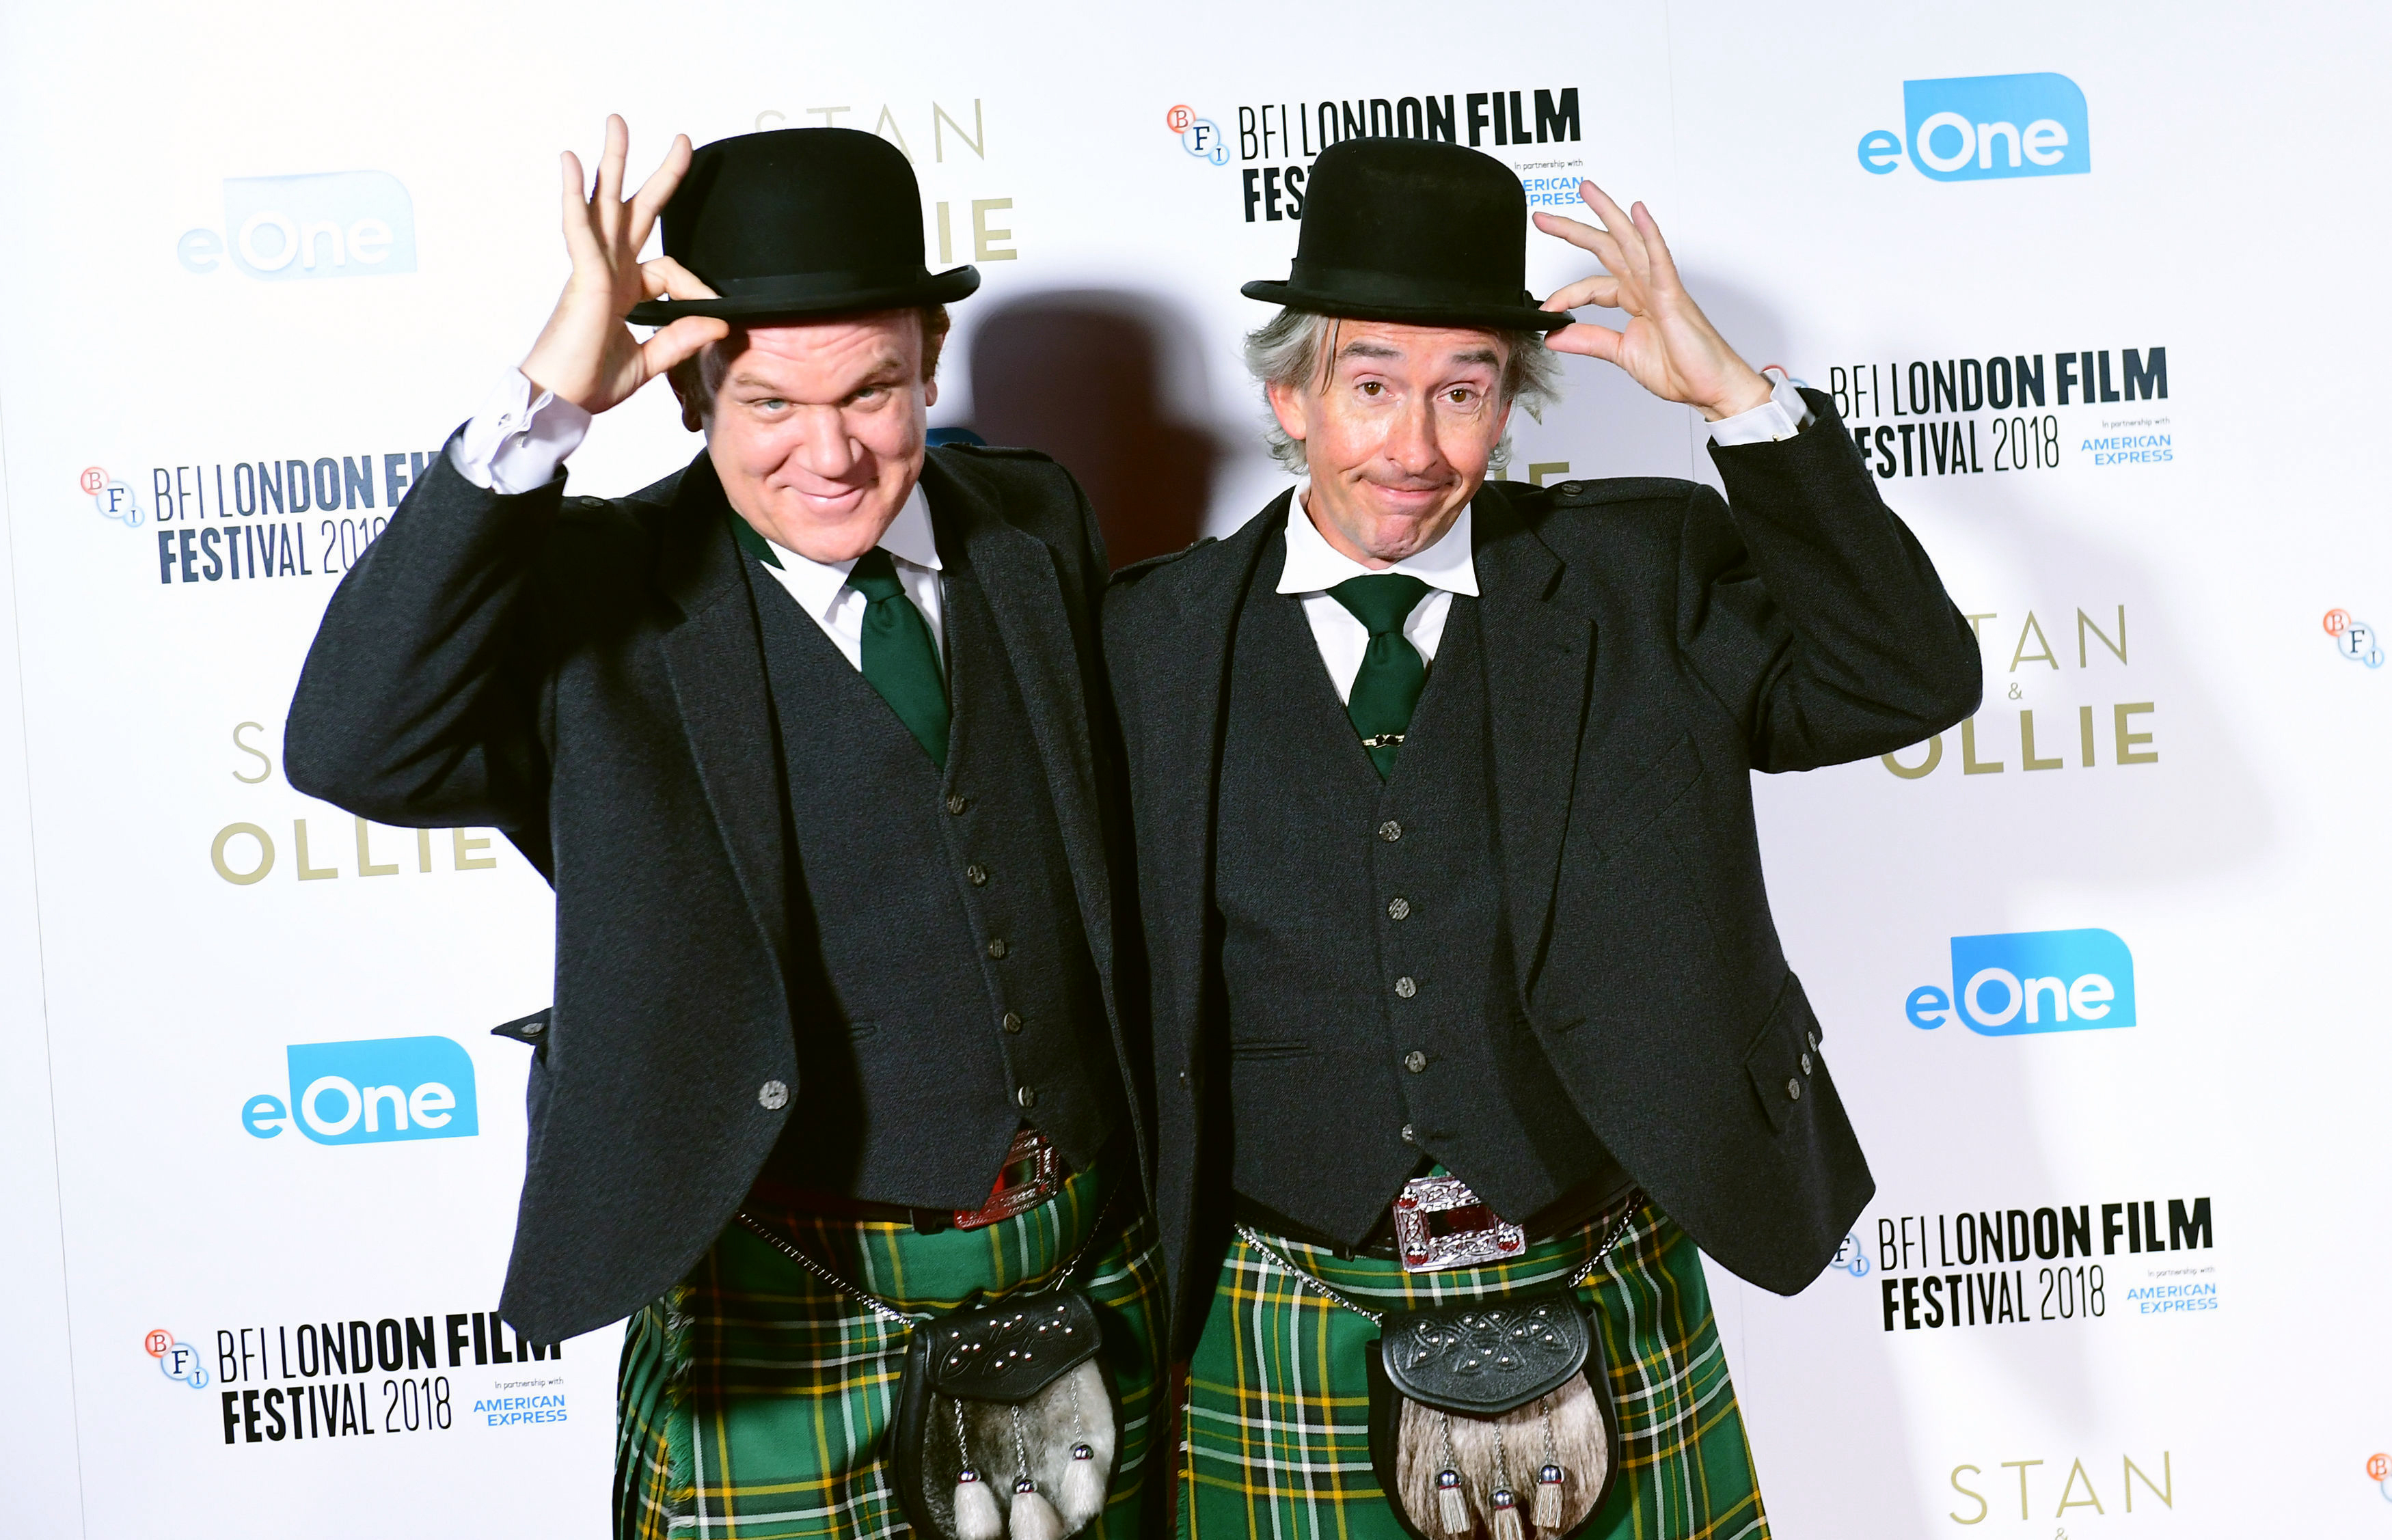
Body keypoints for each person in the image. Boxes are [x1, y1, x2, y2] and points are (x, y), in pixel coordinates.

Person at [284, 119, 1162, 1539]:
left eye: (873, 391)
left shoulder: (1032, 521)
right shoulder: (596, 592)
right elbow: (350, 745)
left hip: (1075, 1261)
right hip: (787, 1288)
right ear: (690, 389)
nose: (830, 452)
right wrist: (548, 402)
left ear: (931, 359)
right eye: (768, 404)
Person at [1102, 137, 1981, 1538]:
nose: (1415, 446)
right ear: (1287, 392)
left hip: (1590, 1259)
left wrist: (1740, 404)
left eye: (1467, 391)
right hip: (1283, 1293)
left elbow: (1905, 680)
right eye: (1372, 386)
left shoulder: (1638, 574)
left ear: (1512, 402)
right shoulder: (1145, 637)